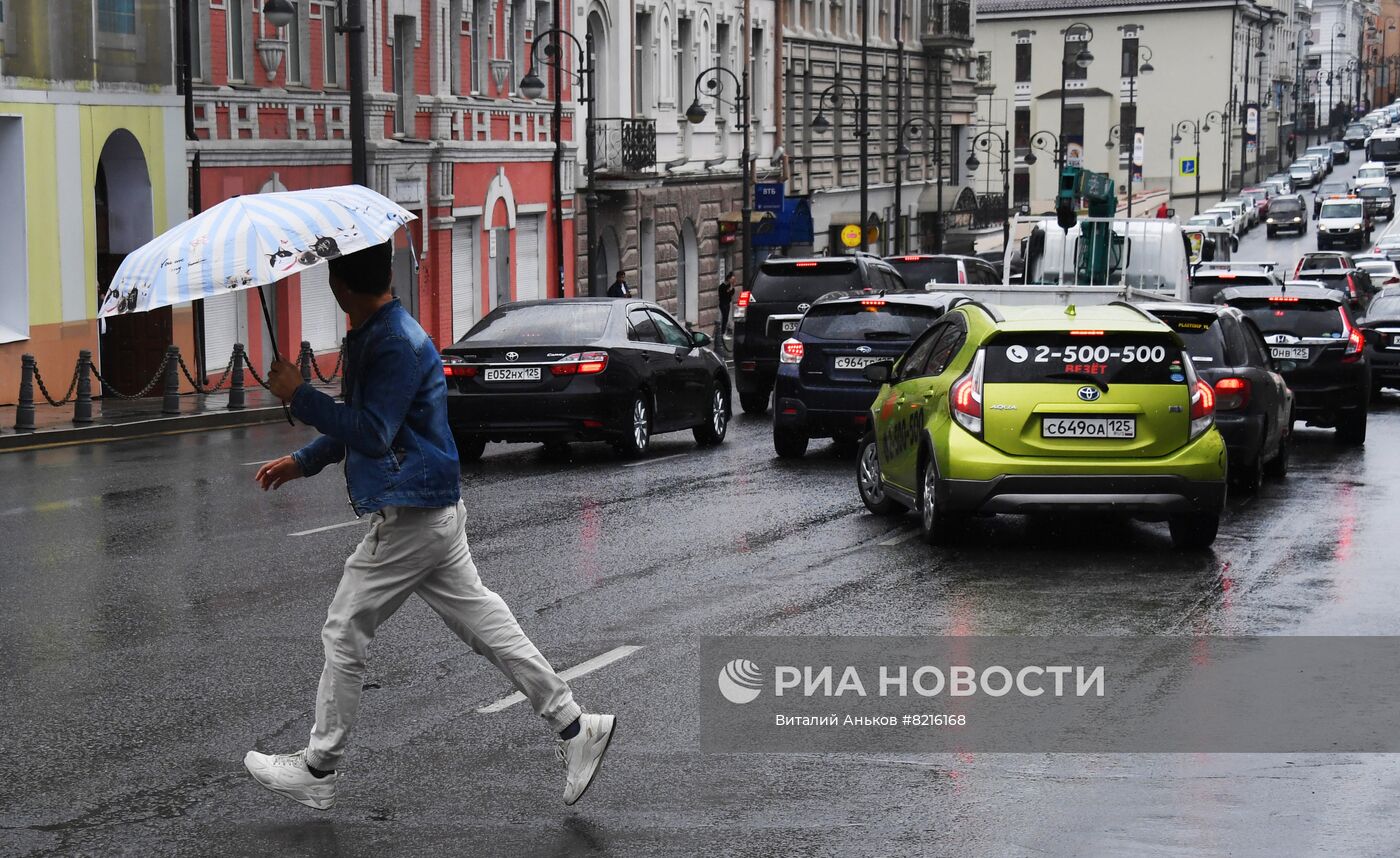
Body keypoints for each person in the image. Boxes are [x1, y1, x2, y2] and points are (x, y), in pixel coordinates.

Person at [246, 240, 616, 811]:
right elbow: (367, 423)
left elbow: (372, 432)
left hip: (411, 510)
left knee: (344, 630)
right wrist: (304, 461)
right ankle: (575, 725)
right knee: (487, 626)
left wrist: (301, 395)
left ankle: (319, 767)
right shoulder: (381, 334)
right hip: (430, 504)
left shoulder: (392, 342)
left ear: (341, 289)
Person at [718, 270, 736, 335]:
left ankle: (723, 331)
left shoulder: (730, 286)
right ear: (729, 279)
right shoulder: (722, 286)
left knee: (726, 318)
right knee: (724, 317)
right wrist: (729, 290)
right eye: (732, 279)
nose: (733, 281)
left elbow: (732, 293)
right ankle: (722, 332)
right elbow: (724, 294)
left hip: (727, 303)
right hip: (723, 304)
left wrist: (731, 288)